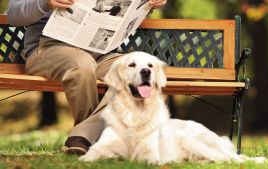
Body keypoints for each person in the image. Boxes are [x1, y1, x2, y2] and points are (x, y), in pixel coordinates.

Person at [6, 0, 167, 155]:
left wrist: (150, 4)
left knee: (134, 70)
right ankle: (94, 139)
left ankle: (83, 137)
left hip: (99, 53)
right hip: (47, 49)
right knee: (82, 64)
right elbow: (13, 14)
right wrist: (45, 2)